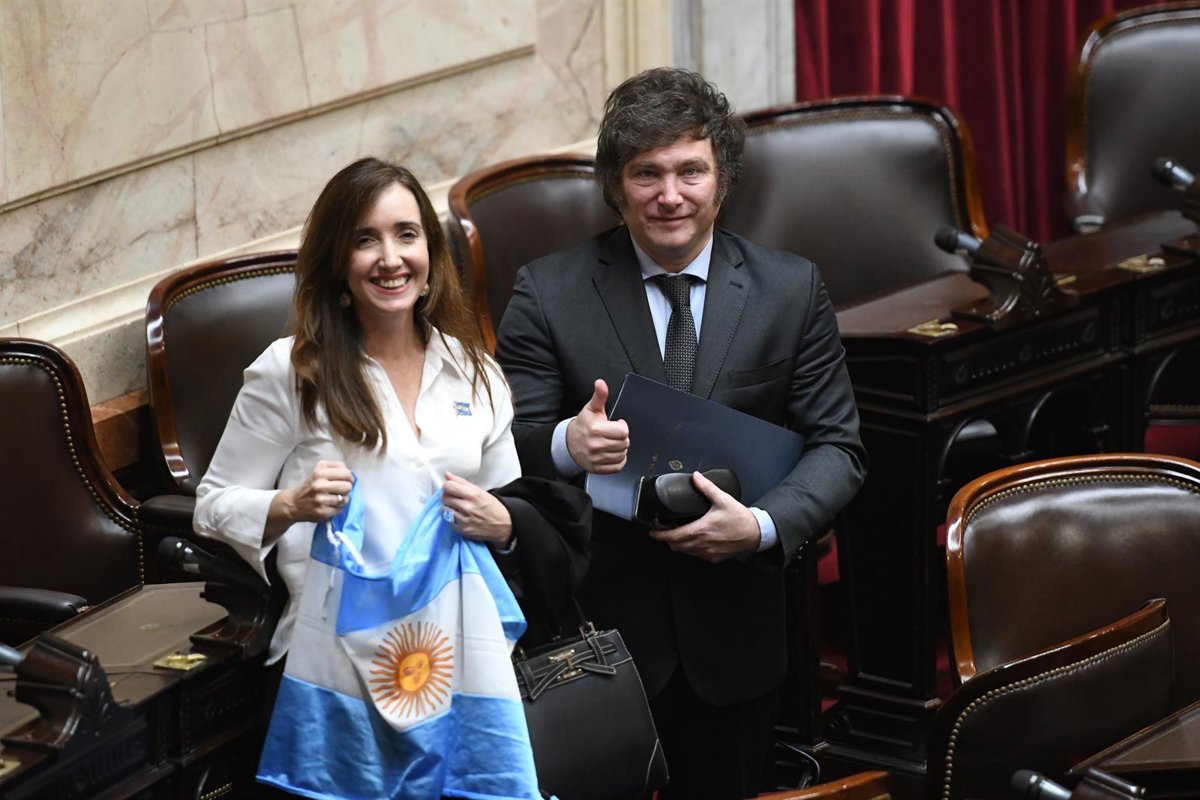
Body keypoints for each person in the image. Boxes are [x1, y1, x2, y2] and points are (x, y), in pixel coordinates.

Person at [495, 68, 867, 799]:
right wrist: (570, 443)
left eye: (690, 171)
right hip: (596, 640)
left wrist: (761, 526)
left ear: (722, 180)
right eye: (648, 174)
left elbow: (839, 448)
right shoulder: (547, 292)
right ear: (616, 185)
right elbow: (507, 449)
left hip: (736, 635)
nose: (670, 195)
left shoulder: (790, 290)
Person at [194, 157, 587, 798]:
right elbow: (211, 505)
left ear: (431, 251)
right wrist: (291, 504)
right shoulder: (291, 371)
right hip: (336, 668)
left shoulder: (476, 373)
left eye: (406, 235)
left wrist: (505, 522)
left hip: (462, 665)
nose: (390, 258)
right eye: (365, 239)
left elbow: (508, 506)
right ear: (337, 262)